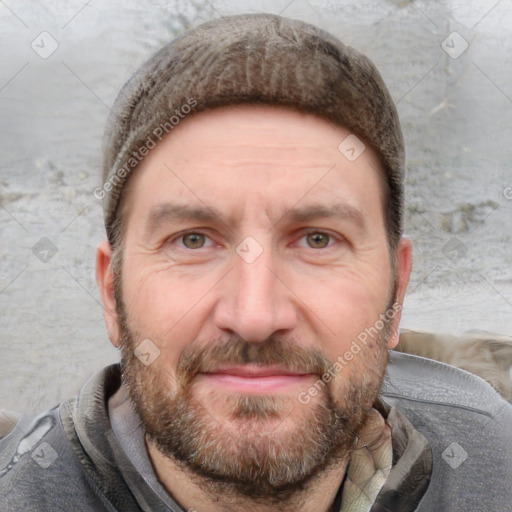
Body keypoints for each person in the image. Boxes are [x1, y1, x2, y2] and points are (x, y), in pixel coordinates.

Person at [1, 12, 511, 512]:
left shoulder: (495, 465)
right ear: (112, 294)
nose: (254, 317)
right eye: (193, 240)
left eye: (316, 239)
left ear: (396, 293)